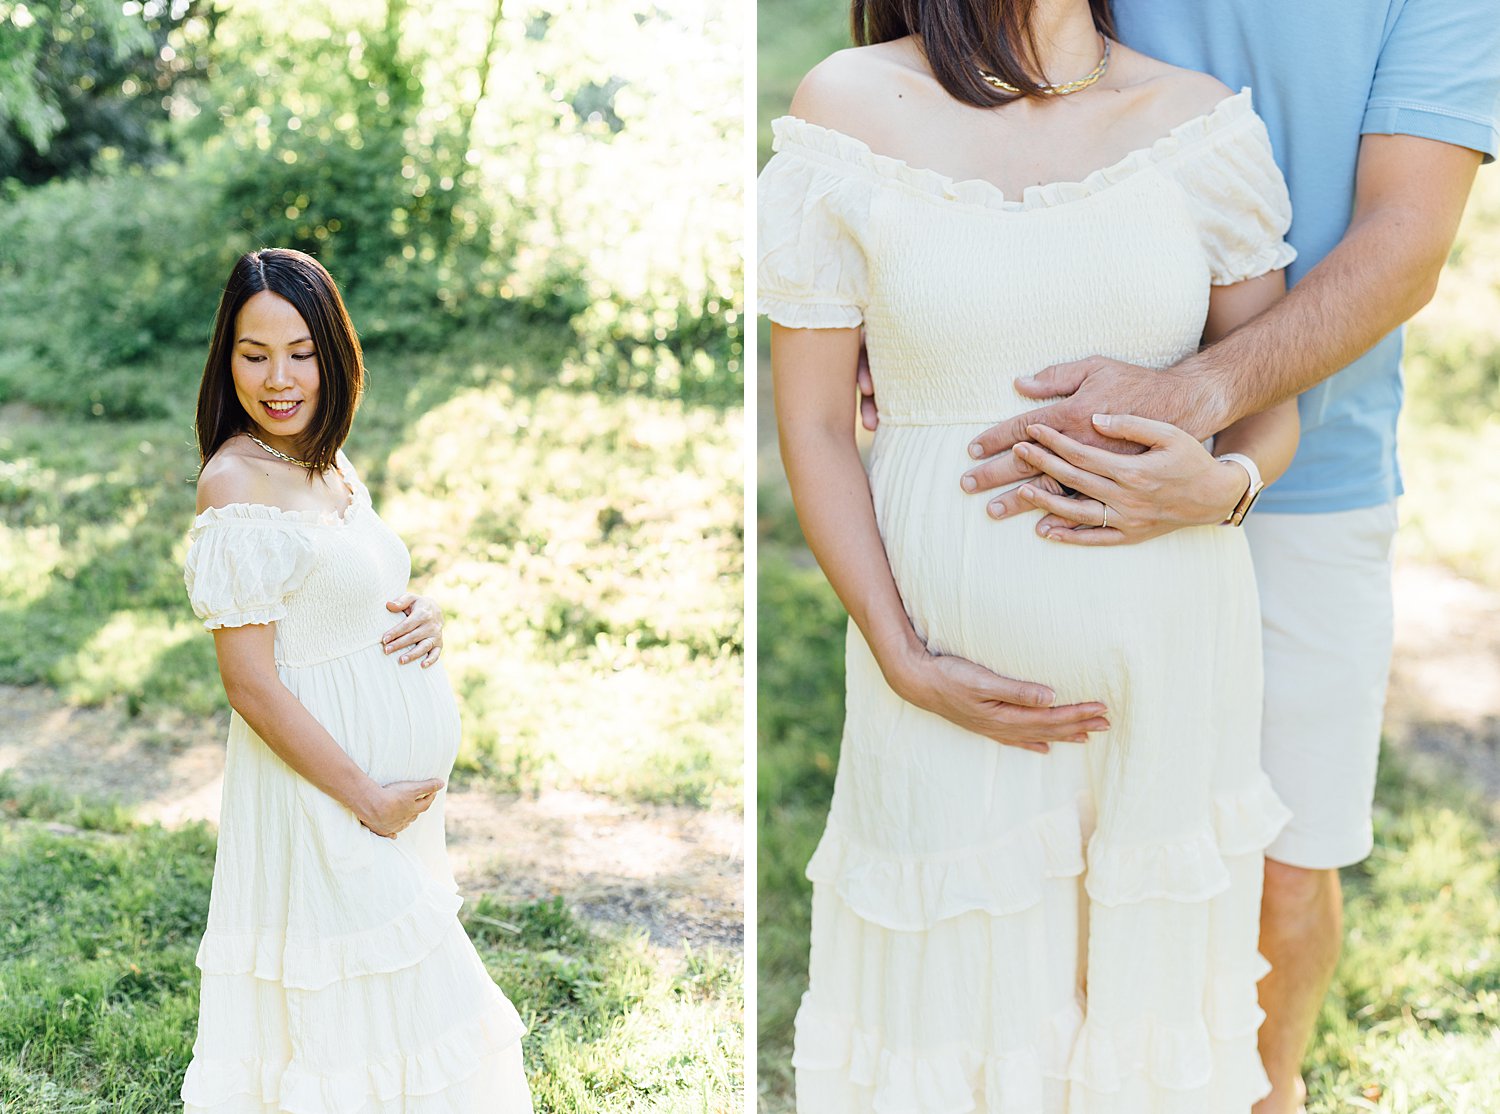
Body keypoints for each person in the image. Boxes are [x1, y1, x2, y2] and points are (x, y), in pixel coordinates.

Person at [925, 6, 1500, 1111]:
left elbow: (1406, 239)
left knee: (1287, 858)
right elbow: (973, 58)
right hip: (1062, 445)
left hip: (1317, 469)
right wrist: (914, 311)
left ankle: (1265, 1092)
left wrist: (1197, 399)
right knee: (1073, 855)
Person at [760, 0, 1306, 1108]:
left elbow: (1270, 406)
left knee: (1139, 1037)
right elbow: (815, 427)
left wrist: (1229, 483)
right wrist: (901, 653)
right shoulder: (851, 104)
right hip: (944, 682)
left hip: (1170, 668)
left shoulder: (1199, 125)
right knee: (952, 1034)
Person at [180, 248, 532, 1113]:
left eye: (299, 350)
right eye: (253, 353)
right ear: (226, 358)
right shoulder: (233, 484)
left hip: (382, 802)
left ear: (333, 352)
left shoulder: (330, 463)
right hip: (324, 796)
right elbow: (251, 684)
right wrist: (364, 798)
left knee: (383, 1015)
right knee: (394, 1011)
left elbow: (356, 591)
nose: (278, 377)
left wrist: (426, 612)